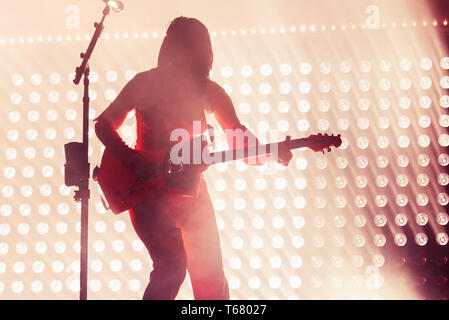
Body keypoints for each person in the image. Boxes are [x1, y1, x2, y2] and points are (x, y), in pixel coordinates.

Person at [94, 16, 292, 300]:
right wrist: (132, 159)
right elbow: (103, 124)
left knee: (211, 281)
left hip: (192, 194)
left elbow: (239, 140)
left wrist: (272, 154)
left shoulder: (209, 92)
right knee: (172, 264)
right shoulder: (146, 83)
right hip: (148, 195)